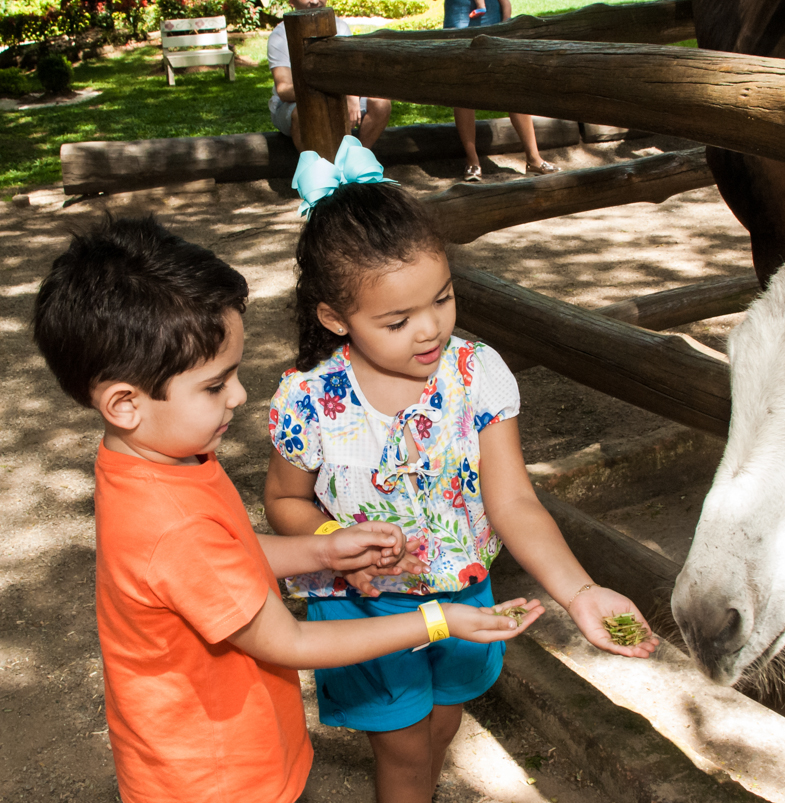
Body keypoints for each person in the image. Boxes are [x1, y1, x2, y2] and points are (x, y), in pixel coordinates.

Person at [30, 215, 544, 803]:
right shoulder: (172, 526)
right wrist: (439, 621)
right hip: (218, 776)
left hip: (227, 746)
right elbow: (289, 642)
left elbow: (229, 558)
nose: (241, 396)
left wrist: (322, 548)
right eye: (215, 385)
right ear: (124, 404)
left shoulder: (157, 461)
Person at [267, 137, 658, 803]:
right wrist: (333, 542)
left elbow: (514, 502)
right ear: (335, 317)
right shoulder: (306, 399)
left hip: (465, 600)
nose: (431, 330)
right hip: (364, 609)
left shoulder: (477, 374)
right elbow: (284, 501)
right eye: (397, 320)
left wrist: (580, 591)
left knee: (440, 731)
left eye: (443, 299)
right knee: (403, 755)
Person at [445, 0, 560, 181]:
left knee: (512, 85)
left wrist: (506, 23)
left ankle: (533, 158)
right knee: (464, 88)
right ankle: (472, 160)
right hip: (459, 13)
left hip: (493, 16)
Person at [268, 0, 392, 150]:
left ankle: (354, 160)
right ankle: (319, 169)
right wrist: (329, 92)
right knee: (301, 115)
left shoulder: (340, 27)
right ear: (291, 1)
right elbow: (284, 90)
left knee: (380, 103)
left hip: (339, 93)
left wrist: (351, 96)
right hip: (294, 101)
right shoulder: (279, 37)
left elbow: (350, 71)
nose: (314, 1)